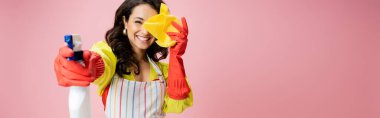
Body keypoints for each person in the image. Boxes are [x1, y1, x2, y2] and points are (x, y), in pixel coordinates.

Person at [54, 0, 193, 117]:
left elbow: (177, 104)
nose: (145, 31)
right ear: (125, 21)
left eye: (152, 25)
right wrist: (86, 64)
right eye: (138, 22)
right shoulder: (112, 58)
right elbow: (101, 62)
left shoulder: (163, 72)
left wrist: (176, 56)